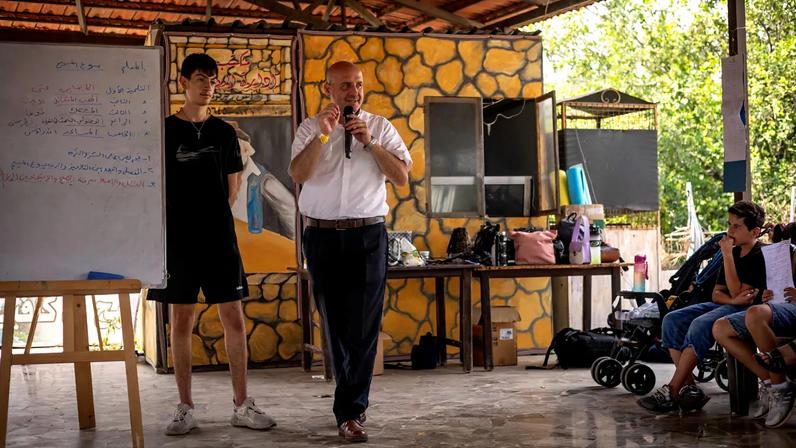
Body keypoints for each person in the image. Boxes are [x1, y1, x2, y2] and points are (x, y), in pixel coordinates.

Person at [147, 53, 276, 436]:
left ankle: (241, 404)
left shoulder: (223, 133)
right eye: (201, 78)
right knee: (181, 321)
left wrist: (214, 216)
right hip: (178, 242)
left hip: (219, 239)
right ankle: (184, 407)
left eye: (213, 80)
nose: (208, 85)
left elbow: (233, 186)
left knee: (233, 319)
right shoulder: (166, 130)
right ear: (183, 83)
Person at [289, 61, 411, 443]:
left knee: (363, 325)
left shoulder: (381, 128)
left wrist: (370, 143)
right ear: (329, 90)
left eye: (358, 85)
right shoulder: (311, 128)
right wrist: (323, 136)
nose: (353, 93)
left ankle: (350, 411)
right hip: (322, 237)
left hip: (367, 236)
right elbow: (298, 174)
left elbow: (402, 177)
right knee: (335, 324)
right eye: (344, 86)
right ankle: (349, 409)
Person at [638, 201, 767, 413]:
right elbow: (718, 294)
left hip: (748, 311)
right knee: (672, 319)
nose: (729, 231)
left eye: (737, 226)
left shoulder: (758, 254)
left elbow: (737, 293)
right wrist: (733, 299)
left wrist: (726, 257)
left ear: (754, 231)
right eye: (729, 224)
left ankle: (672, 389)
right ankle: (690, 388)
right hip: (732, 305)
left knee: (700, 324)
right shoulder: (733, 253)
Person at [713, 259, 796, 427]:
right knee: (720, 327)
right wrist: (768, 294)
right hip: (784, 305)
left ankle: (781, 388)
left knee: (755, 314)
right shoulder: (787, 248)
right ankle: (770, 382)